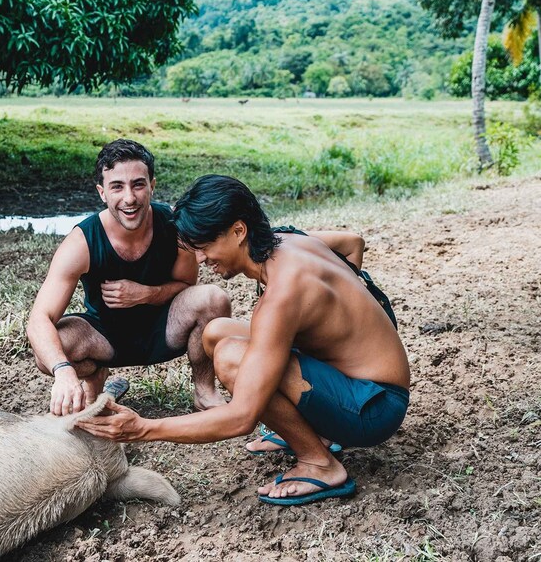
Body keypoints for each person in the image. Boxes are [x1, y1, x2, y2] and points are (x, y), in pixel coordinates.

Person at [77, 174, 410, 506]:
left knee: (232, 359)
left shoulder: (283, 295)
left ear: (239, 231)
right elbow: (352, 242)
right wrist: (340, 322)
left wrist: (143, 428)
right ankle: (316, 427)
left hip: (374, 406)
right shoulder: (284, 240)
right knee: (216, 332)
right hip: (350, 381)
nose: (201, 260)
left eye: (205, 247)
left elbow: (242, 417)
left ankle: (320, 463)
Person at [26, 140, 231, 417]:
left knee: (213, 299)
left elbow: (186, 286)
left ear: (152, 185)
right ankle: (93, 381)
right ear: (102, 193)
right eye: (117, 187)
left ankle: (205, 392)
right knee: (49, 350)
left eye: (138, 184)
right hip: (105, 338)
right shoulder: (81, 242)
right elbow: (40, 318)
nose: (129, 198)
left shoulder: (172, 225)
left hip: (164, 328)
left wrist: (145, 293)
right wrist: (63, 372)